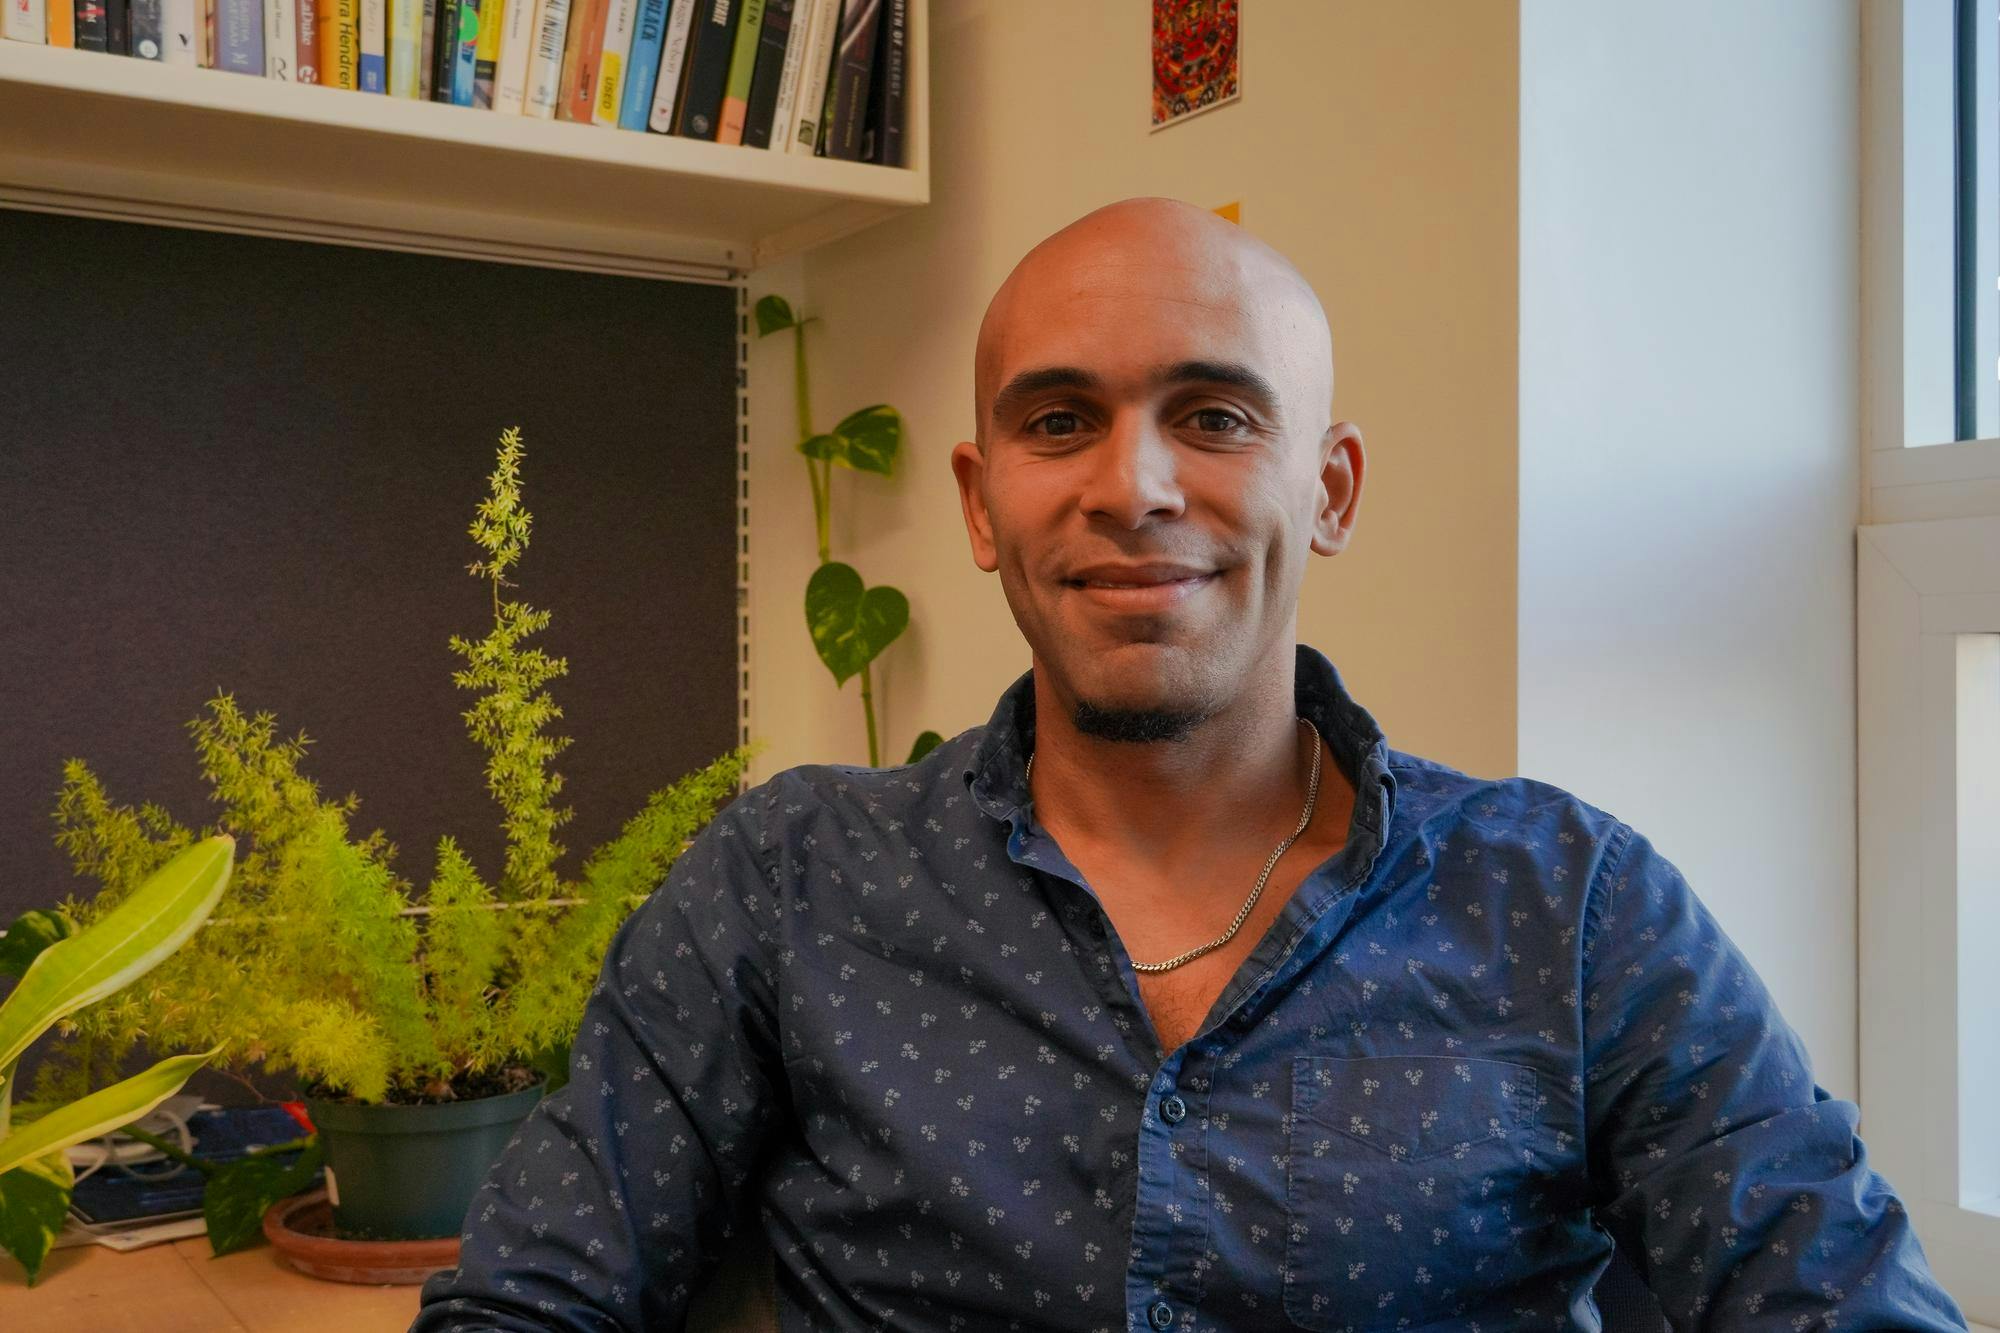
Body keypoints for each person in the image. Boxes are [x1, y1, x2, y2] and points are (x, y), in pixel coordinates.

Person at [411, 197, 1969, 1331]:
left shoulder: (1575, 907)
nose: (1133, 486)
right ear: (979, 500)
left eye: (1214, 415)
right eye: (1059, 422)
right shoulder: (789, 881)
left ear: (1331, 485)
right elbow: (528, 1299)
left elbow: (1834, 1295)